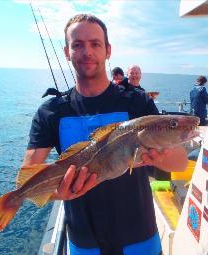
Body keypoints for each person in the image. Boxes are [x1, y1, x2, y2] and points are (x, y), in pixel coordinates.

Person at [22, 14, 188, 255]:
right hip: (84, 243)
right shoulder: (51, 112)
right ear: (67, 52)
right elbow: (28, 175)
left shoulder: (137, 102)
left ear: (108, 50)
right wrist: (58, 194)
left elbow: (181, 163)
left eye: (95, 44)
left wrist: (159, 156)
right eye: (77, 44)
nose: (87, 51)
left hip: (140, 238)